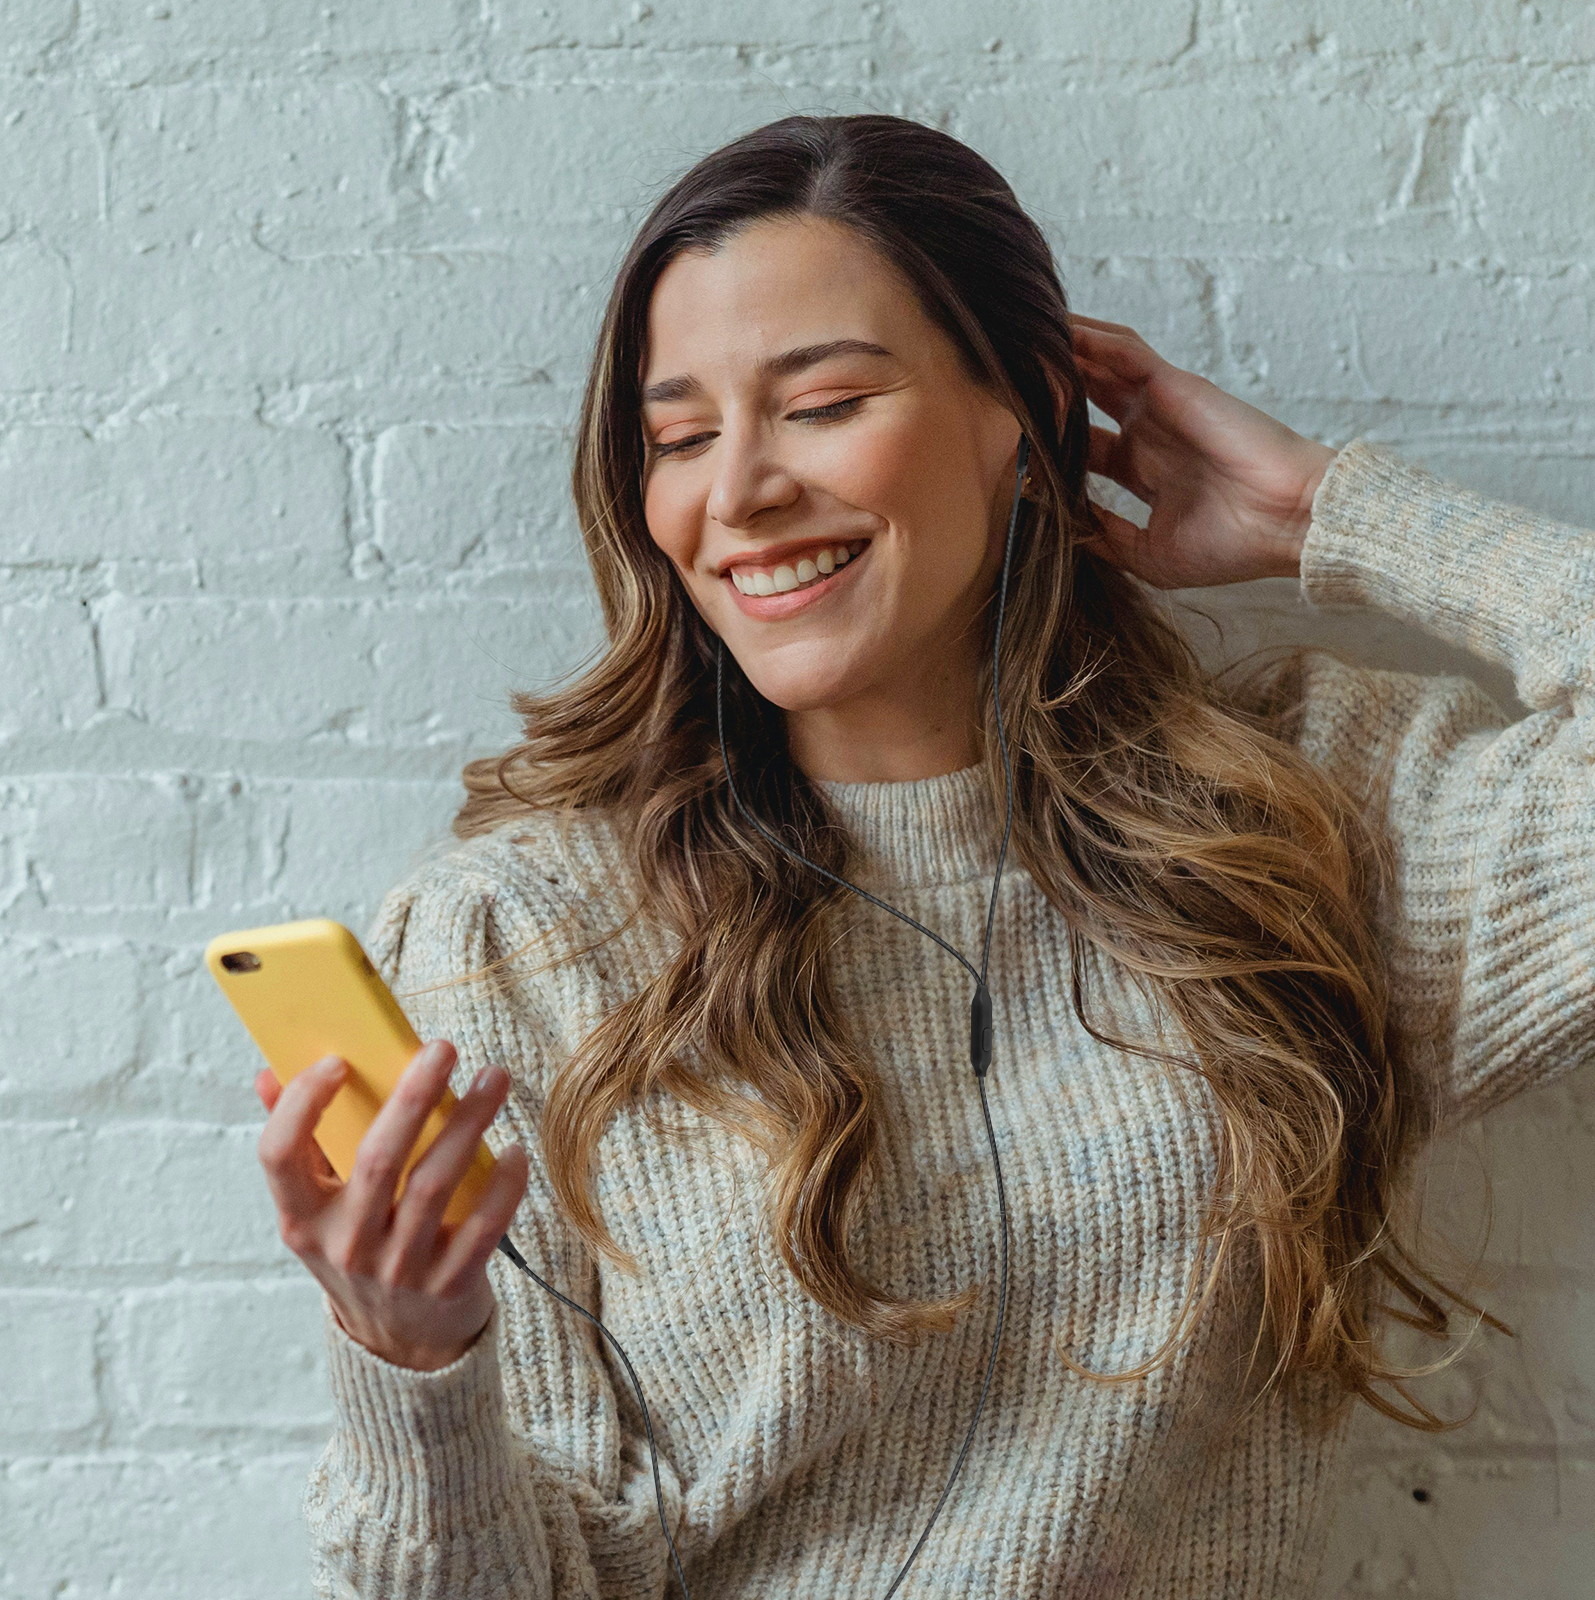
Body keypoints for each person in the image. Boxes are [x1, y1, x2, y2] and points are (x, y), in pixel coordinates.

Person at [251, 114, 1595, 1597]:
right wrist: (410, 1362)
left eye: (821, 402)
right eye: (682, 437)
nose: (738, 490)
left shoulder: (1304, 827)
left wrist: (1319, 513)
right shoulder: (526, 935)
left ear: (1018, 418)